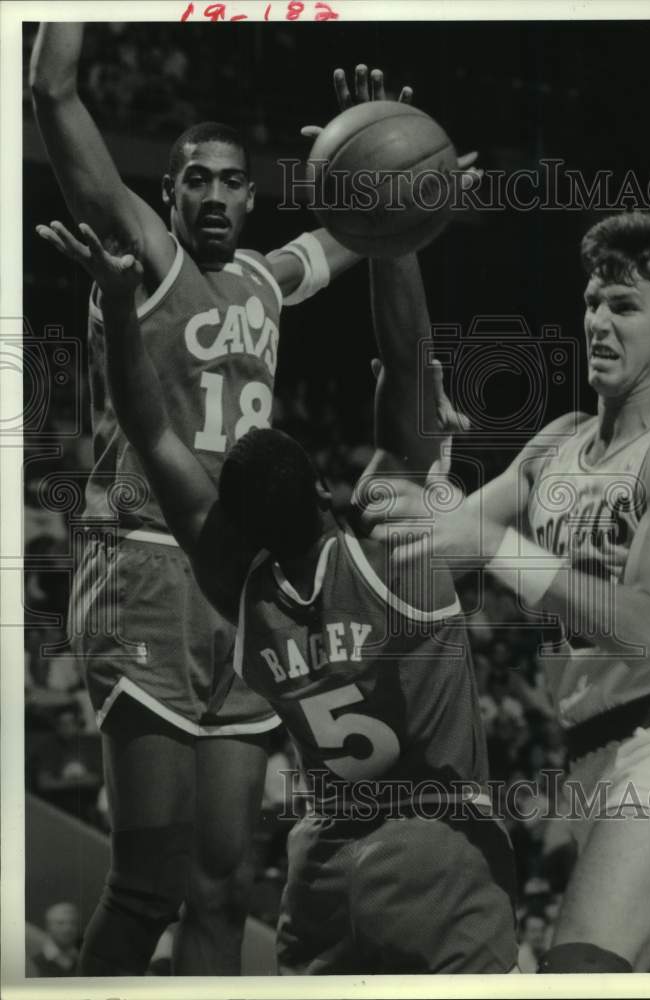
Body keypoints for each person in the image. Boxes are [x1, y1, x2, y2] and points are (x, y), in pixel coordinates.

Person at [37, 205, 517, 974]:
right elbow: (405, 371)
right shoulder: (396, 562)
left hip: (325, 876)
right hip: (439, 858)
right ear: (329, 495)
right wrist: (396, 236)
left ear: (231, 528)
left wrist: (122, 312)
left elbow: (150, 427)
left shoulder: (242, 598)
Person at [30, 22, 408, 976]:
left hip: (237, 586)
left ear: (250, 194)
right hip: (149, 561)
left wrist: (397, 146)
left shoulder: (264, 281)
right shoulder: (147, 256)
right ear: (169, 191)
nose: (210, 193)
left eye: (228, 179)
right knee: (143, 885)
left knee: (224, 886)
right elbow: (56, 95)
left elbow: (359, 226)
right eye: (192, 176)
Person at [367, 211, 650, 972]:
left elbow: (644, 626)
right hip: (589, 766)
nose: (600, 323)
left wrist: (493, 544)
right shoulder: (557, 445)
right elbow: (417, 564)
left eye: (625, 306)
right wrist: (419, 445)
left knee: (576, 973)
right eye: (592, 303)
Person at [29, 902, 81, 977]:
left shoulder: (84, 959)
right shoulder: (34, 963)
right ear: (48, 927)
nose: (68, 929)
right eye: (60, 923)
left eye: (73, 923)